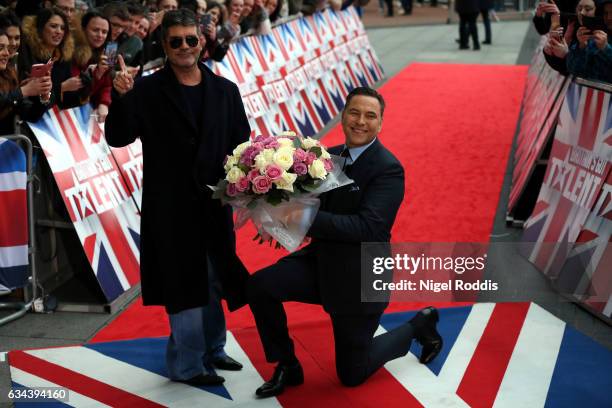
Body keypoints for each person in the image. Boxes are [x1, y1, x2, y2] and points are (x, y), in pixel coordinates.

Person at [246, 87, 443, 398]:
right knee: (260, 286)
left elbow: (367, 228)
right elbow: (306, 200)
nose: (360, 121)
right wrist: (272, 213)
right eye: (354, 112)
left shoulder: (388, 169)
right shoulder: (327, 157)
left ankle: (418, 326)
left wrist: (299, 216)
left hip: (360, 276)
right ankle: (287, 364)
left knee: (352, 374)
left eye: (370, 116)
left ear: (380, 123)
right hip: (321, 261)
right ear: (343, 115)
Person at [105, 8, 251, 387]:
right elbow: (118, 137)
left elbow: (241, 145)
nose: (185, 47)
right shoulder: (148, 90)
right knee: (185, 283)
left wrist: (240, 193)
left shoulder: (225, 90)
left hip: (214, 204)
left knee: (216, 277)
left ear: (201, 42)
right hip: (171, 209)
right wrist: (120, 98)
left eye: (191, 39)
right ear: (164, 46)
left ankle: (214, 348)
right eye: (176, 41)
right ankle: (187, 365)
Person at [0, 28, 52, 135]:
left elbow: (31, 116)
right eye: (1, 48)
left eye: (7, 48)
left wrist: (43, 95)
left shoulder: (9, 75)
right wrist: (23, 91)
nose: (6, 53)